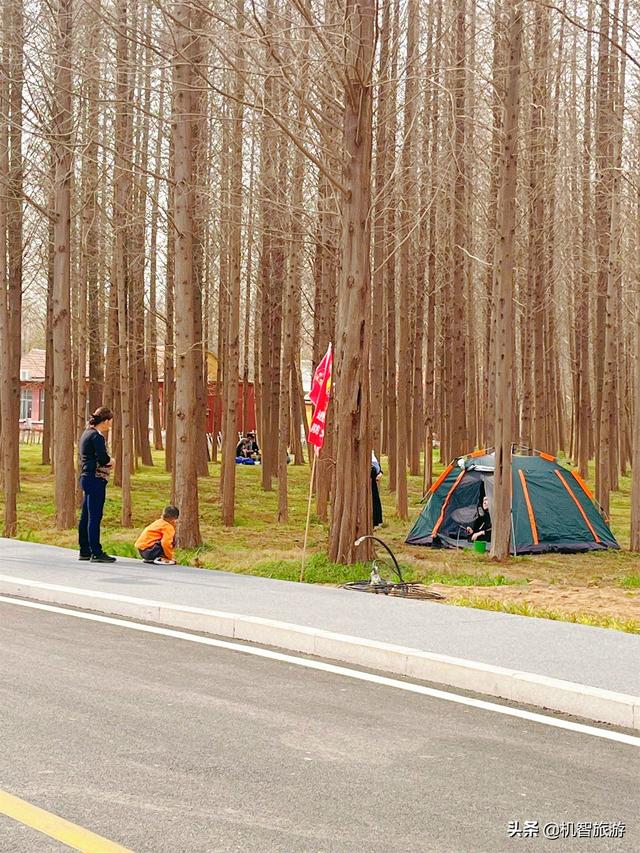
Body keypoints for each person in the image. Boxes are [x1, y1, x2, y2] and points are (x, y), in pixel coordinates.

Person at [78, 406, 116, 563]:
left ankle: (84, 550)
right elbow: (103, 459)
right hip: (96, 479)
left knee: (86, 515)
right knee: (95, 516)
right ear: (105, 421)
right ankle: (96, 551)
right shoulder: (97, 437)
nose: (111, 425)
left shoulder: (86, 433)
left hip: (86, 477)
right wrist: (112, 461)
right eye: (110, 422)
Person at [371, 451, 383, 528]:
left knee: (374, 500)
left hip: (372, 483)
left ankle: (374, 522)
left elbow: (378, 467)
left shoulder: (371, 454)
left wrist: (380, 473)